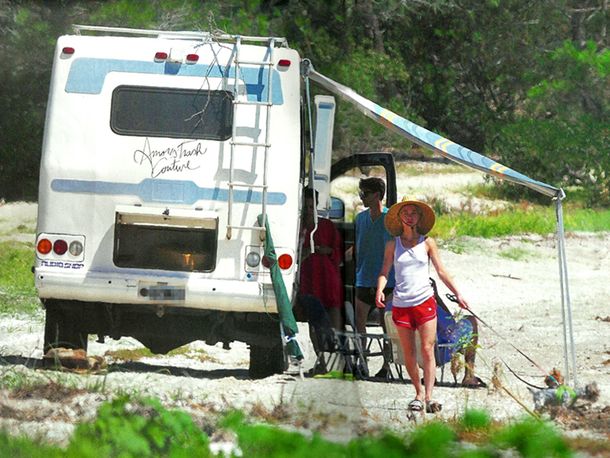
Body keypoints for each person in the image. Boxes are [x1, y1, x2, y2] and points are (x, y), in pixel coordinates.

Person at [375, 197, 470, 413]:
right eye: (405, 213)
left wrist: (458, 294)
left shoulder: (427, 243)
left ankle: (429, 396)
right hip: (401, 302)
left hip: (425, 300)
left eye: (413, 213)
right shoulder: (393, 244)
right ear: (399, 217)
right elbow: (384, 271)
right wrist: (380, 289)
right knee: (408, 351)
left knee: (427, 348)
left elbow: (441, 272)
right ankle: (417, 392)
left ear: (419, 217)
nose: (409, 216)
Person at [352, 177, 394, 378]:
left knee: (386, 326)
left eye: (365, 193)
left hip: (387, 281)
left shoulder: (390, 220)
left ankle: (386, 366)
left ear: (377, 194)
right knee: (359, 324)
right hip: (363, 277)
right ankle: (362, 361)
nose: (362, 197)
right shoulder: (360, 219)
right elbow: (358, 244)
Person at [299, 188, 344, 332]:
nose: (308, 210)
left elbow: (339, 253)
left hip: (325, 275)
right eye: (305, 207)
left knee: (333, 303)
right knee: (311, 314)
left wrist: (327, 250)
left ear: (317, 205)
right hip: (306, 276)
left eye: (311, 207)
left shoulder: (326, 225)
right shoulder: (296, 227)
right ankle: (318, 347)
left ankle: (336, 340)